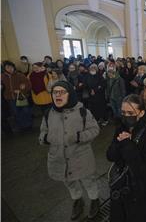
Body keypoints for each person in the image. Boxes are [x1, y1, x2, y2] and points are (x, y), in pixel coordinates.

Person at [39, 81, 100, 220]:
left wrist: (80, 137)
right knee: (68, 180)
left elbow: (95, 129)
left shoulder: (83, 112)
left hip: (80, 156)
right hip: (59, 157)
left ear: (70, 95)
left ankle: (95, 199)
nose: (58, 95)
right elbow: (42, 132)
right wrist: (46, 138)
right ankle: (77, 199)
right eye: (55, 92)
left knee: (88, 180)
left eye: (62, 92)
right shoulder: (49, 113)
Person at [106, 94, 146, 222]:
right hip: (122, 189)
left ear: (141, 113)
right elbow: (110, 156)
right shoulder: (121, 128)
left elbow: (145, 171)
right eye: (123, 112)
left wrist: (127, 145)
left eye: (130, 113)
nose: (126, 116)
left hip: (140, 194)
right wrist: (118, 144)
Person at [1, 60, 32, 131]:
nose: (10, 68)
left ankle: (28, 125)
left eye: (11, 67)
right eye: (7, 67)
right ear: (4, 68)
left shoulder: (19, 75)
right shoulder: (2, 77)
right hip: (10, 98)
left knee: (25, 111)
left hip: (21, 97)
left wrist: (21, 90)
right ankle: (21, 126)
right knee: (16, 113)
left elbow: (28, 85)